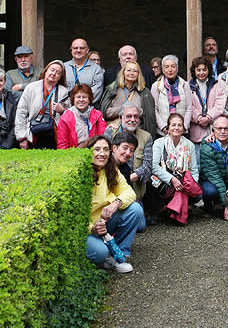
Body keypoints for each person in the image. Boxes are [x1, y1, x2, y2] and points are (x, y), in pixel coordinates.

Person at [84, 134, 144, 274]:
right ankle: (104, 256)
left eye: (105, 149)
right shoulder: (82, 173)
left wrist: (116, 204)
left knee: (135, 209)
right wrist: (92, 228)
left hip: (105, 222)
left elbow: (130, 193)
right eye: (97, 149)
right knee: (100, 253)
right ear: (89, 151)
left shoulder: (110, 169)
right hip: (87, 228)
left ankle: (119, 255)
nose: (102, 153)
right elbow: (72, 216)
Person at [105, 102, 156, 222]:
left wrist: (131, 176)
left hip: (135, 187)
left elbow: (148, 166)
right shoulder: (110, 133)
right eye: (128, 116)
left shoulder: (146, 137)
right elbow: (105, 159)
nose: (132, 119)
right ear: (120, 117)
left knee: (140, 225)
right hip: (112, 186)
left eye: (136, 116)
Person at [151, 113, 202, 224]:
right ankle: (178, 214)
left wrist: (191, 184)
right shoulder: (159, 143)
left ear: (183, 128)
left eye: (179, 125)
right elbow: (154, 166)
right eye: (173, 125)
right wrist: (172, 180)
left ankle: (174, 211)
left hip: (184, 180)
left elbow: (194, 170)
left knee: (185, 188)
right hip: (164, 180)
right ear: (167, 128)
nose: (176, 128)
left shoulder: (189, 145)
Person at [15, 60, 68, 149]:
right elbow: (21, 112)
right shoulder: (31, 87)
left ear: (60, 77)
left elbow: (70, 115)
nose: (54, 73)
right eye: (52, 70)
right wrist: (21, 137)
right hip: (34, 132)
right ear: (46, 71)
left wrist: (62, 110)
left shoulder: (64, 91)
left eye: (58, 72)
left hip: (54, 135)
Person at [101, 60, 159, 136]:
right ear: (123, 72)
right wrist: (123, 109)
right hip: (115, 132)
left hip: (137, 132)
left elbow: (149, 115)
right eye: (128, 70)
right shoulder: (113, 89)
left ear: (138, 74)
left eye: (135, 71)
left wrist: (135, 110)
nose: (131, 73)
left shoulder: (144, 92)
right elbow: (105, 112)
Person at [188, 56, 226, 150]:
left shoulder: (216, 85)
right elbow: (188, 105)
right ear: (194, 71)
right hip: (196, 130)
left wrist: (208, 117)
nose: (201, 73)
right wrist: (199, 117)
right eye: (198, 70)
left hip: (213, 129)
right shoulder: (188, 86)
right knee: (197, 162)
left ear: (209, 70)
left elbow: (220, 104)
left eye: (204, 69)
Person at [151, 54, 193, 134]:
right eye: (166, 67)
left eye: (173, 66)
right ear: (162, 69)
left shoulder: (185, 85)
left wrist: (183, 127)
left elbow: (189, 108)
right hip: (163, 132)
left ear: (177, 68)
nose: (170, 70)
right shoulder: (156, 86)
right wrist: (163, 127)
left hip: (181, 131)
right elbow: (154, 109)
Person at [56, 84, 107, 148]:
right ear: (73, 99)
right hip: (74, 153)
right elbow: (62, 144)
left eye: (84, 97)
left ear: (89, 99)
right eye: (78, 97)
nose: (81, 100)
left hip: (94, 151)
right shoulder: (65, 117)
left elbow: (103, 138)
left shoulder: (97, 115)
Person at [64, 38, 103, 102]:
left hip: (87, 110)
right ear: (71, 50)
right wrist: (67, 106)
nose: (78, 50)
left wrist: (80, 104)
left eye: (82, 48)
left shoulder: (96, 69)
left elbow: (97, 92)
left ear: (87, 50)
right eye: (75, 48)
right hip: (65, 109)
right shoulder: (63, 67)